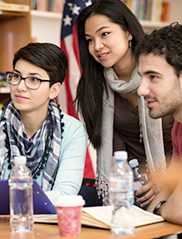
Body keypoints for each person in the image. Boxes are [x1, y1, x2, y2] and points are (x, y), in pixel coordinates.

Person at [74, 0, 174, 206]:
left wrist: (164, 180)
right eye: (89, 40)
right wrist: (137, 180)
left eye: (104, 34)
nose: (97, 46)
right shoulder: (93, 85)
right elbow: (115, 152)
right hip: (134, 183)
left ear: (128, 32)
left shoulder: (165, 70)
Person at [0, 42, 87, 204]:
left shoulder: (72, 130)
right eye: (16, 76)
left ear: (54, 90)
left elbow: (65, 194)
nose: (20, 87)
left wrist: (14, 201)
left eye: (33, 79)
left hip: (50, 222)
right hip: (0, 221)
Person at [136, 23, 182, 225]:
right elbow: (169, 189)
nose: (141, 90)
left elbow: (177, 210)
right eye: (142, 77)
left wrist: (161, 209)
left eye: (153, 77)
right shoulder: (178, 124)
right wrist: (158, 211)